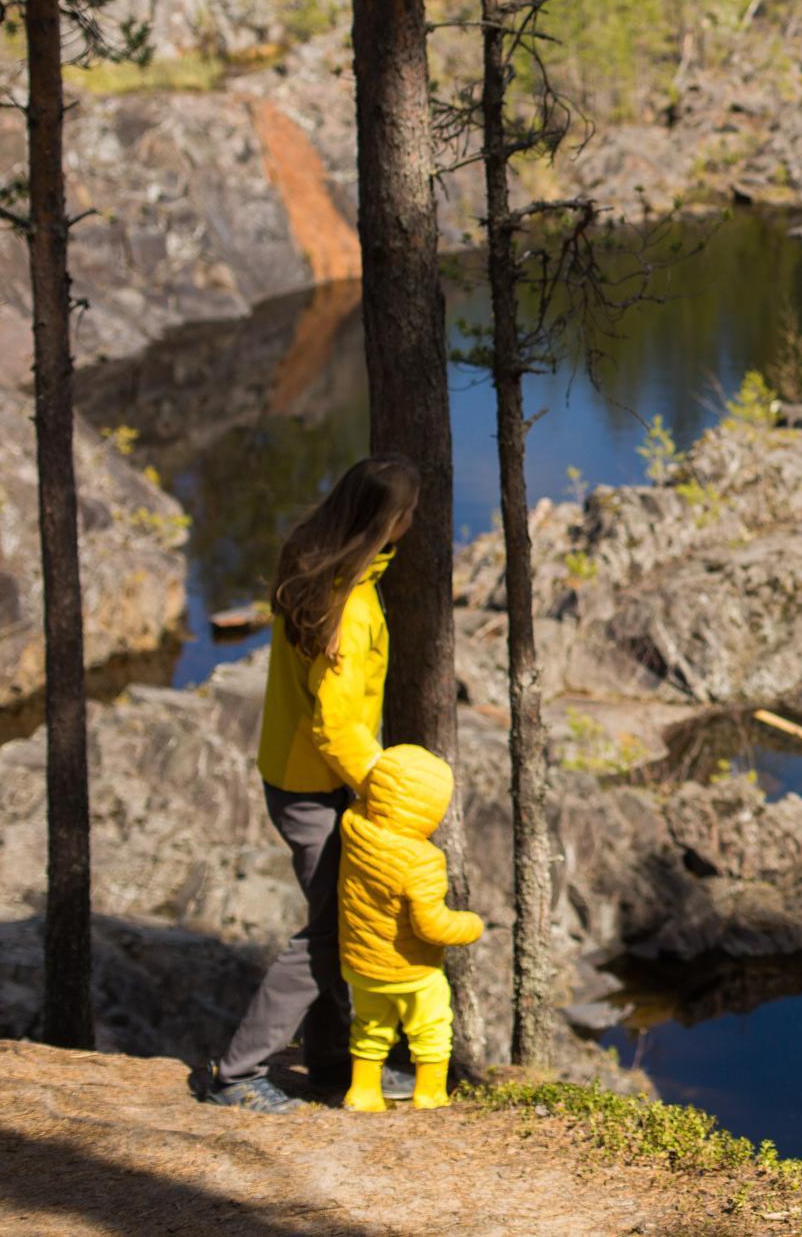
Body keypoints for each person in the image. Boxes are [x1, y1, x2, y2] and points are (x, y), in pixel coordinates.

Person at [208, 456, 421, 1114]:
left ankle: (333, 1062)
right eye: (408, 512)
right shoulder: (349, 603)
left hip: (294, 776)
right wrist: (382, 786)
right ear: (390, 521)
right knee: (329, 932)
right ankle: (235, 1073)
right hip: (317, 789)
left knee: (336, 923)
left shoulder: (313, 564)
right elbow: (334, 723)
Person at [337, 744, 485, 1111]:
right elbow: (430, 926)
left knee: (370, 1026)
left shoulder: (354, 827)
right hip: (411, 971)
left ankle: (363, 1091)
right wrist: (470, 926)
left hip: (360, 965)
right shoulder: (422, 861)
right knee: (431, 1028)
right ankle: (430, 1093)